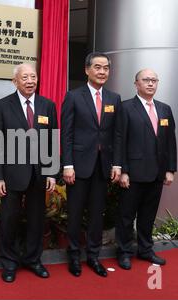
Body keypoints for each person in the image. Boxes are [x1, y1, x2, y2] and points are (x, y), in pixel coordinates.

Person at [0, 63, 58, 283]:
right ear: (15, 81)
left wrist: (51, 172)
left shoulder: (47, 105)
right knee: (9, 219)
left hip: (39, 174)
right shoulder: (2, 106)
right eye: (25, 77)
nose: (30, 81)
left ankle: (33, 260)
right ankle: (9, 262)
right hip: (12, 174)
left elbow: (52, 139)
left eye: (33, 77)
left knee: (36, 220)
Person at [61, 52, 122, 278]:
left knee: (97, 214)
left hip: (103, 166)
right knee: (75, 213)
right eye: (97, 67)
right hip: (78, 165)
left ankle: (94, 257)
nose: (102, 71)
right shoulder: (73, 96)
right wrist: (67, 164)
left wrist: (117, 164)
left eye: (106, 68)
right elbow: (66, 134)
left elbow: (117, 134)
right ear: (87, 70)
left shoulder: (114, 99)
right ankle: (74, 256)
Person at [116, 69, 177, 270]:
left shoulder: (165, 109)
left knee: (148, 215)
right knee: (126, 216)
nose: (151, 83)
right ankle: (124, 252)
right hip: (132, 173)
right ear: (136, 84)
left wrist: (170, 169)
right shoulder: (125, 108)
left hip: (157, 173)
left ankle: (145, 250)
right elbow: (120, 141)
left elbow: (170, 142)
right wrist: (123, 170)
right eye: (146, 80)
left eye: (154, 80)